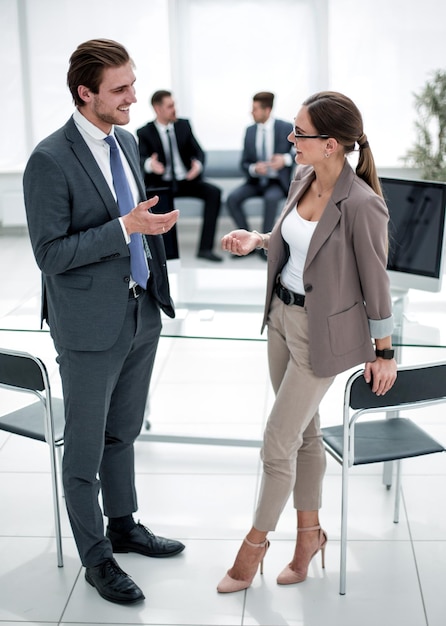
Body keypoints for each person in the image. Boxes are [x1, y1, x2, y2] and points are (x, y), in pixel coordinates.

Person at [23, 39, 185, 606]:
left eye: (132, 85)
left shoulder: (128, 142)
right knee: (86, 448)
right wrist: (124, 228)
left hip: (140, 310)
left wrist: (149, 231)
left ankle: (124, 525)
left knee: (125, 432)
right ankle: (97, 558)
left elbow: (135, 218)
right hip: (89, 326)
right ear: (84, 93)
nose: (132, 98)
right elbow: (50, 255)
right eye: (120, 90)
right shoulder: (49, 159)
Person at [217, 91, 397, 593]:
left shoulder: (363, 205)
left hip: (322, 333)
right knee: (306, 434)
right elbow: (300, 241)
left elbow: (376, 282)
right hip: (280, 316)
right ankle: (308, 537)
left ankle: (251, 549)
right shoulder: (302, 178)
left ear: (332, 145)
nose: (290, 139)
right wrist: (259, 240)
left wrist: (385, 351)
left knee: (277, 443)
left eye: (300, 133)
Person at [137, 90, 223, 262]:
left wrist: (197, 166)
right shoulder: (144, 132)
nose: (174, 109)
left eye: (174, 105)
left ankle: (205, 249)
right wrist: (150, 165)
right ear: (157, 108)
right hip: (161, 183)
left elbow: (199, 152)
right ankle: (165, 255)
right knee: (153, 200)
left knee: (214, 192)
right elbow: (140, 159)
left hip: (186, 180)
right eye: (170, 106)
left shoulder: (183, 125)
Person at [226, 92, 294, 243]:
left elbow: (299, 152)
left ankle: (265, 244)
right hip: (255, 182)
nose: (251, 112)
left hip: (276, 182)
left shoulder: (285, 128)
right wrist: (254, 169)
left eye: (255, 109)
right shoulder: (250, 131)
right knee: (232, 199)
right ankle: (247, 241)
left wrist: (285, 159)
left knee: (271, 199)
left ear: (267, 110)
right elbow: (244, 162)